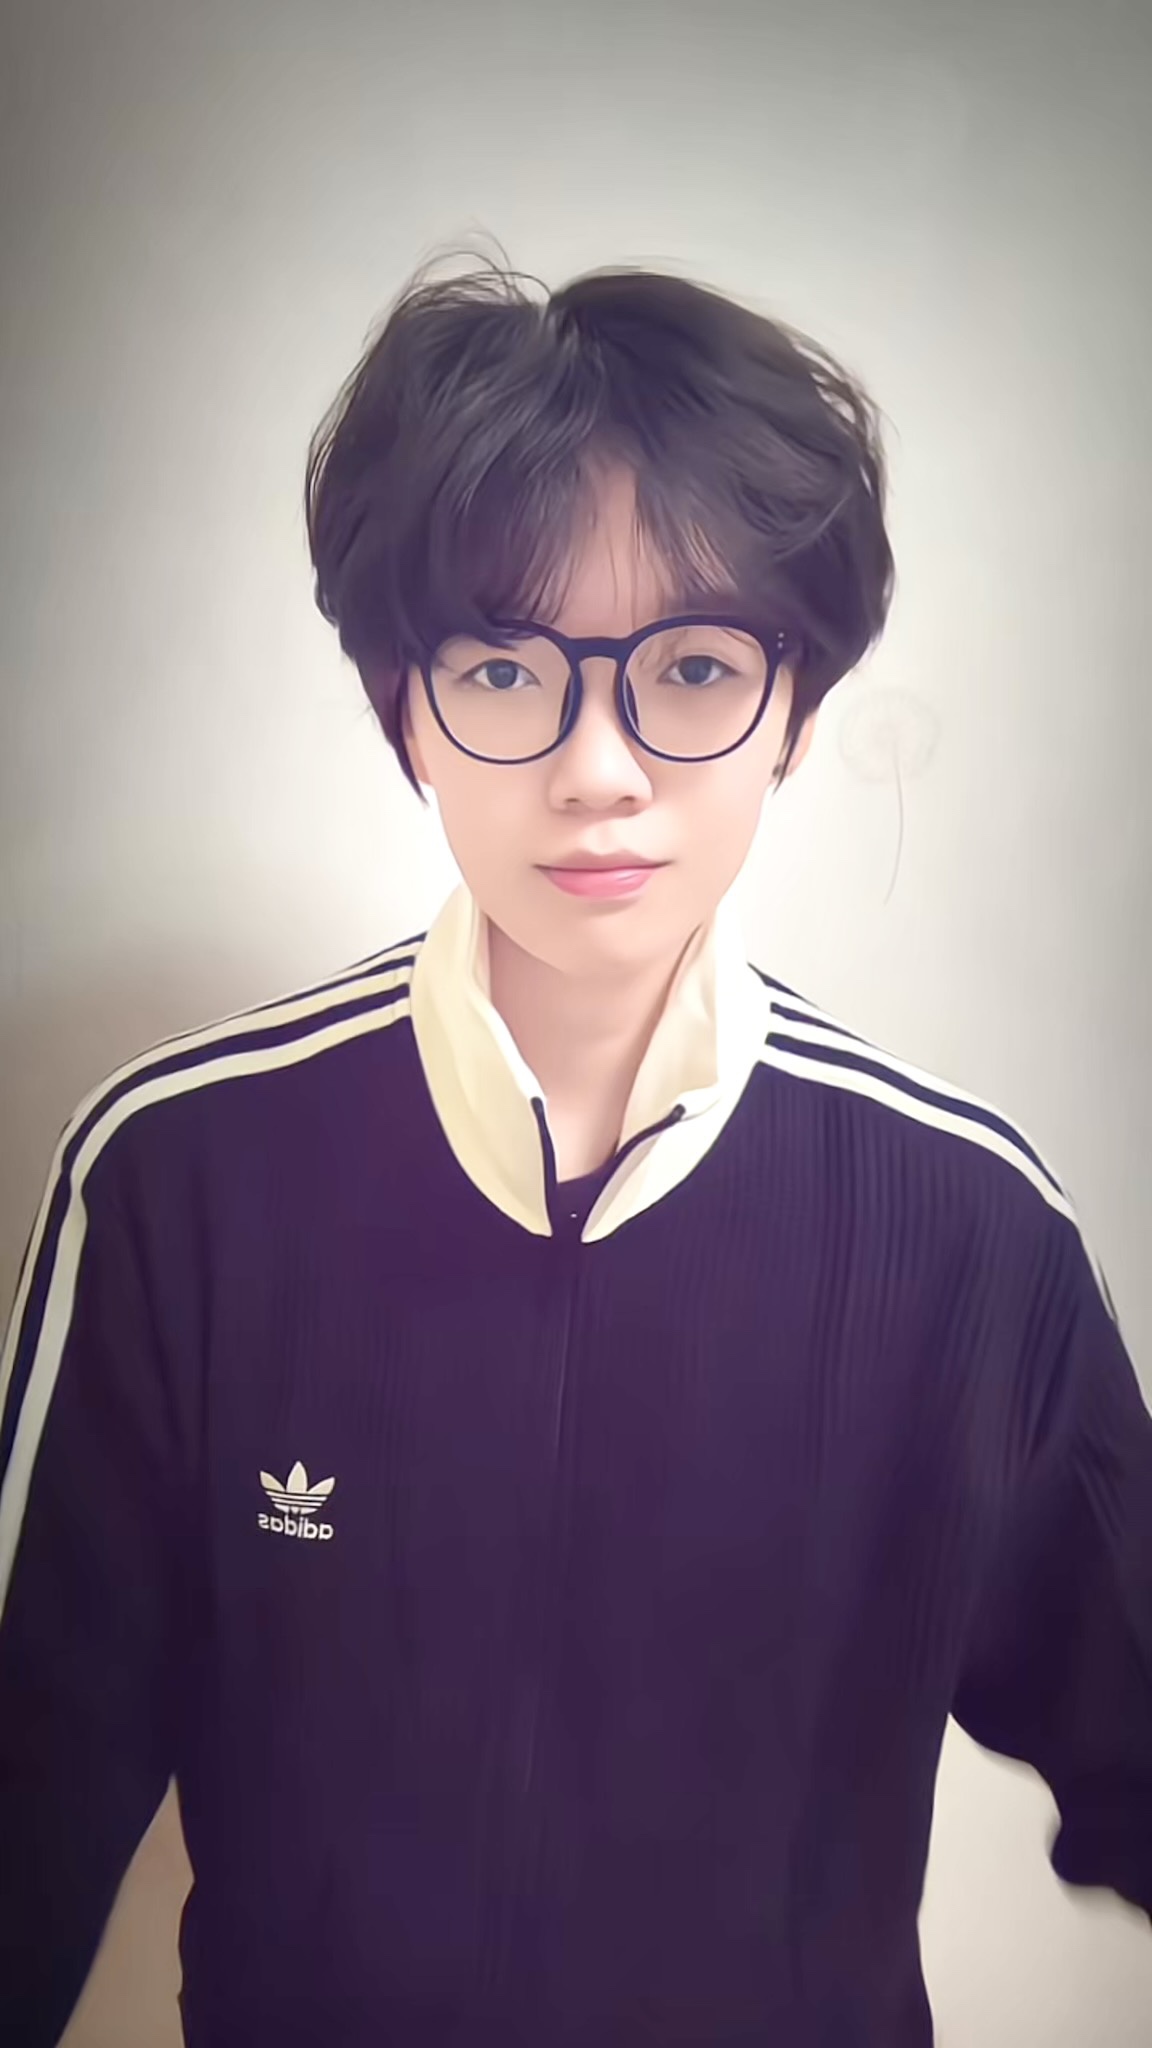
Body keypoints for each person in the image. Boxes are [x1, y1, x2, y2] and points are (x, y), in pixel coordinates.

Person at [0, 256, 1148, 2048]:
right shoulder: (176, 1179)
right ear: (405, 707)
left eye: (691, 667)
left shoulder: (971, 1235)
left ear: (796, 713)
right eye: (504, 666)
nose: (599, 766)